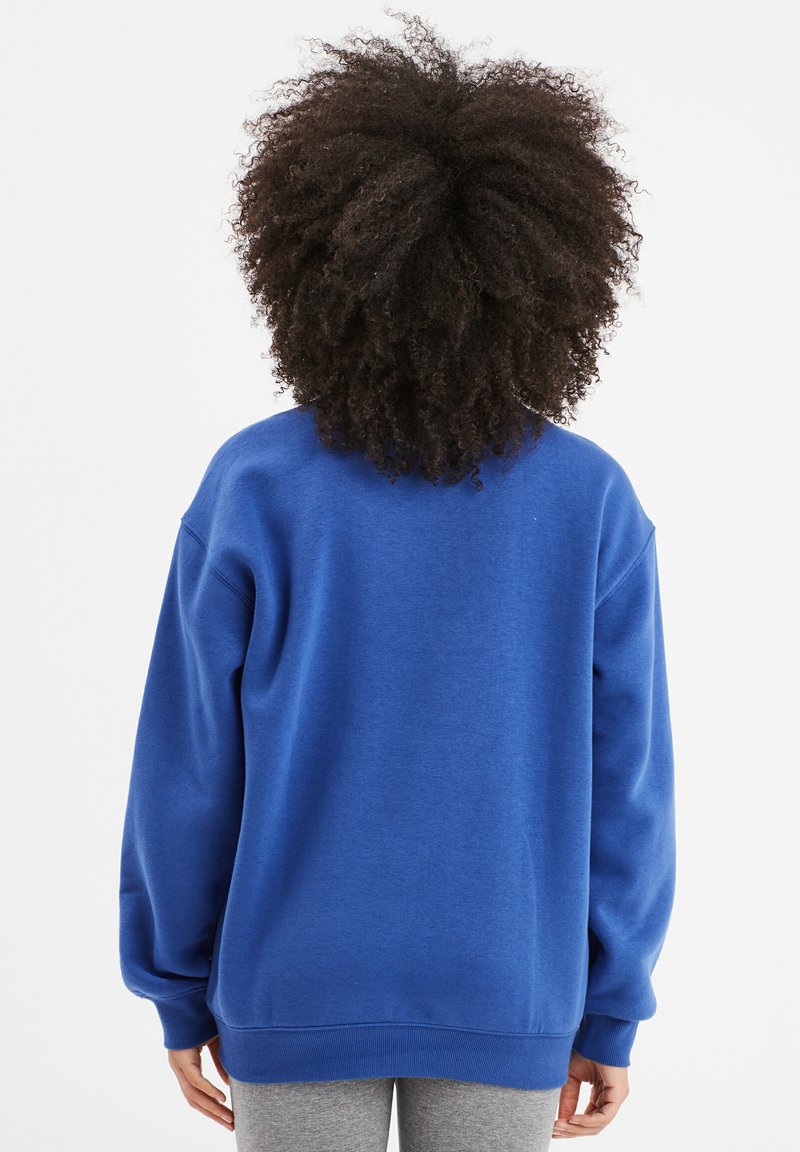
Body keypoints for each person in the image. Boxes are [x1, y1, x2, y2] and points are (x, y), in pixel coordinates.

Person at [118, 12, 676, 1150]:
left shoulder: (255, 485)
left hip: (292, 980)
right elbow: (628, 787)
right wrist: (610, 1004)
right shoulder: (588, 499)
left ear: (314, 266)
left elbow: (187, 766)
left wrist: (175, 982)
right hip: (508, 985)